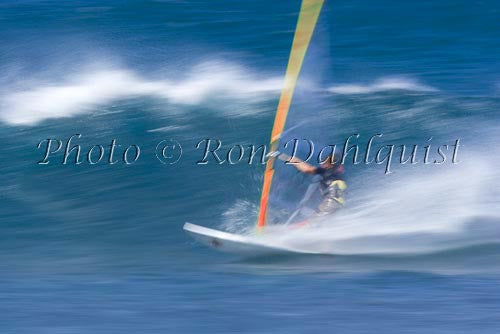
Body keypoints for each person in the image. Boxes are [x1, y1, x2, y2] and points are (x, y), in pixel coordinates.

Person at [277, 152, 347, 221]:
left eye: (324, 161)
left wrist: (284, 157)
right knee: (319, 220)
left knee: (313, 222)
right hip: (340, 205)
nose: (322, 163)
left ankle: (294, 229)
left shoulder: (326, 171)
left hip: (330, 202)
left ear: (329, 164)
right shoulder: (339, 175)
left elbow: (307, 169)